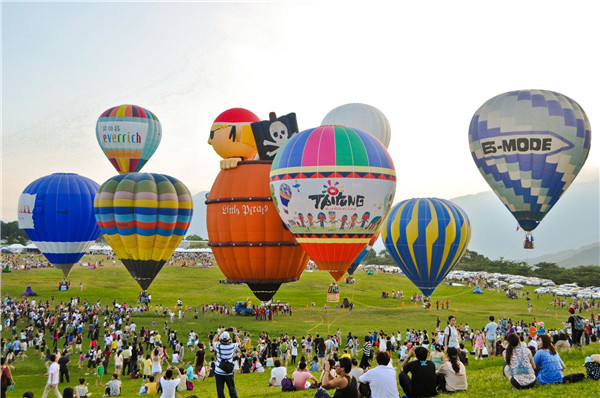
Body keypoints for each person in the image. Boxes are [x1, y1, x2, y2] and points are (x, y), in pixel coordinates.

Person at [212, 329, 241, 398]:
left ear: (220, 338)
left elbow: (214, 341)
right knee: (232, 389)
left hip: (219, 371)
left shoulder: (218, 346)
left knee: (220, 390)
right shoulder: (231, 346)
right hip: (229, 372)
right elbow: (239, 342)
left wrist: (219, 333)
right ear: (229, 339)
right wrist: (235, 333)